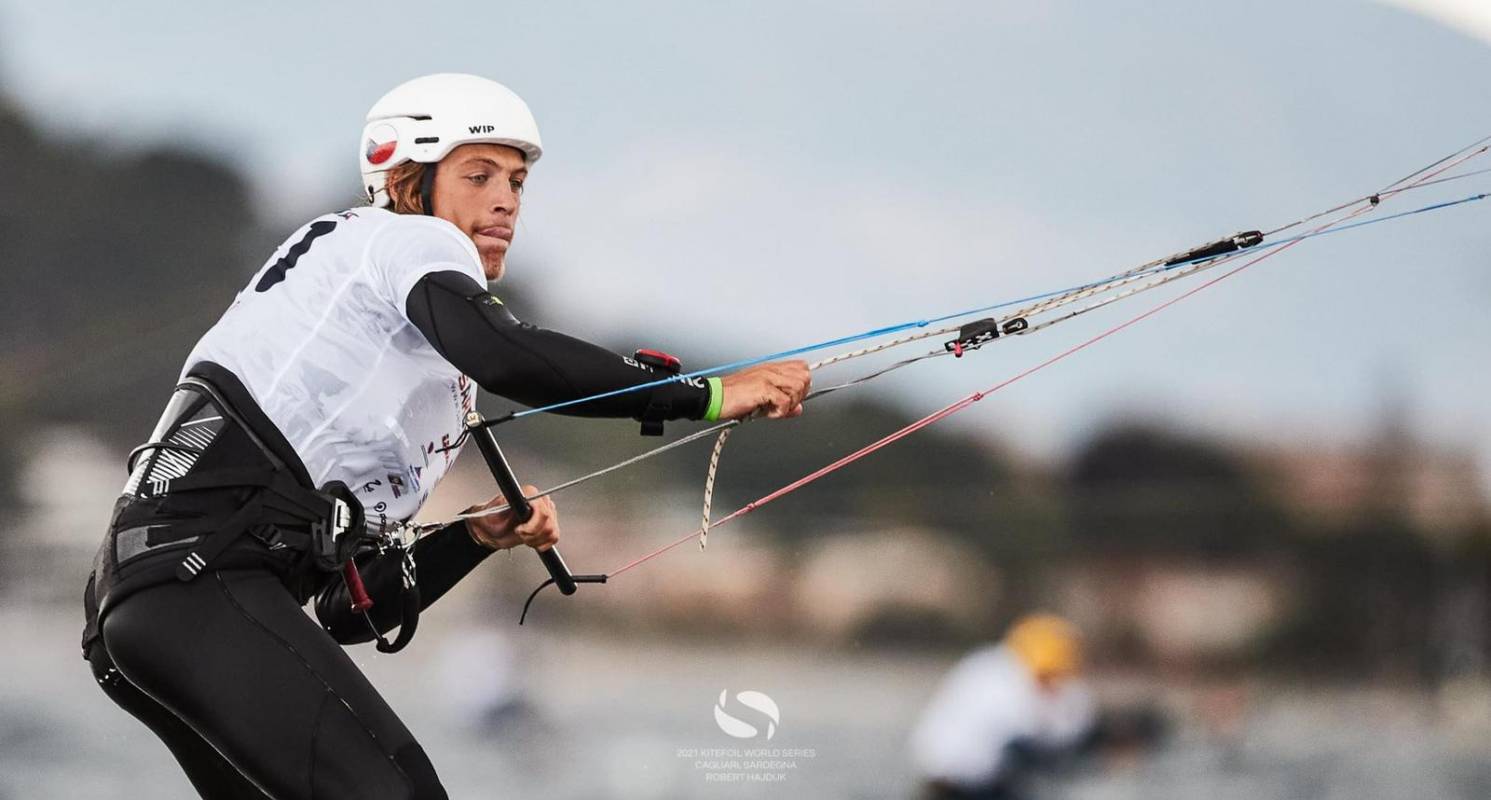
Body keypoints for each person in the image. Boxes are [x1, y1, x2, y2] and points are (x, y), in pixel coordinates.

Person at [80, 73, 811, 800]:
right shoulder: (399, 239)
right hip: (195, 581)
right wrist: (708, 395)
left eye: (517, 182)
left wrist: (473, 539)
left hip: (154, 598)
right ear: (408, 181)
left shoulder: (404, 368)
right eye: (478, 175)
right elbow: (509, 355)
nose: (506, 201)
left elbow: (345, 610)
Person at [909, 613, 1097, 799]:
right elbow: (1024, 739)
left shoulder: (992, 664)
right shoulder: (998, 678)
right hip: (960, 782)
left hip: (982, 779)